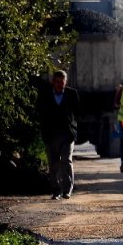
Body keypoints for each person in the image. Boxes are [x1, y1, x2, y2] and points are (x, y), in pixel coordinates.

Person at [37, 70, 80, 200]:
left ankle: (67, 190)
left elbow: (77, 112)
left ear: (65, 82)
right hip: (51, 135)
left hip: (67, 134)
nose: (59, 84)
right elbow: (39, 111)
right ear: (53, 82)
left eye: (62, 82)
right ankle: (56, 191)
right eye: (57, 82)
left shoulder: (72, 94)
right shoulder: (45, 94)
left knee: (66, 161)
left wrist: (73, 128)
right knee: (54, 164)